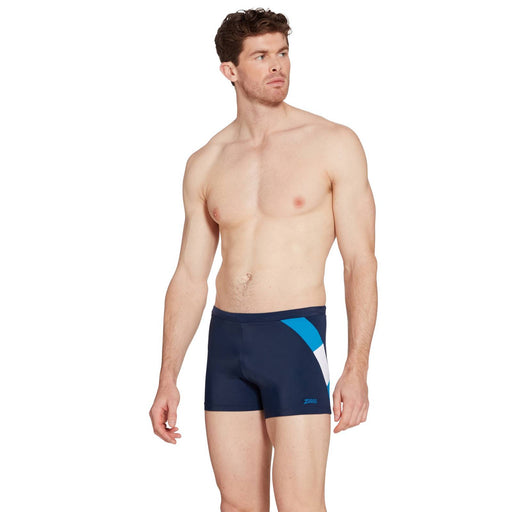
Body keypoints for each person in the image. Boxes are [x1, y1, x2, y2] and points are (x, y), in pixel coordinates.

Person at [149, 7, 377, 512]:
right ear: (229, 70)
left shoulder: (333, 143)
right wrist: (168, 376)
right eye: (260, 56)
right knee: (236, 505)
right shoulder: (206, 161)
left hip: (295, 338)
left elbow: (360, 262)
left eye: (283, 53)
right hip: (227, 343)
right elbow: (189, 277)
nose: (278, 66)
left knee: (300, 504)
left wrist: (356, 367)